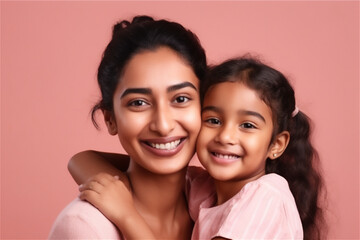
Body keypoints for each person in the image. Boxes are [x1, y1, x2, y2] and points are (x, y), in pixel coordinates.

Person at [75, 57, 326, 240]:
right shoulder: (204, 188)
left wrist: (126, 215)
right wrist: (109, 190)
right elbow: (83, 159)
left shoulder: (267, 198)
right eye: (213, 121)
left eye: (247, 125)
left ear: (277, 145)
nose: (226, 136)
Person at [48, 15, 207, 239]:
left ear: (205, 105)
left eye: (181, 99)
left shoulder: (217, 207)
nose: (163, 126)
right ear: (110, 119)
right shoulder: (85, 228)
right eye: (138, 103)